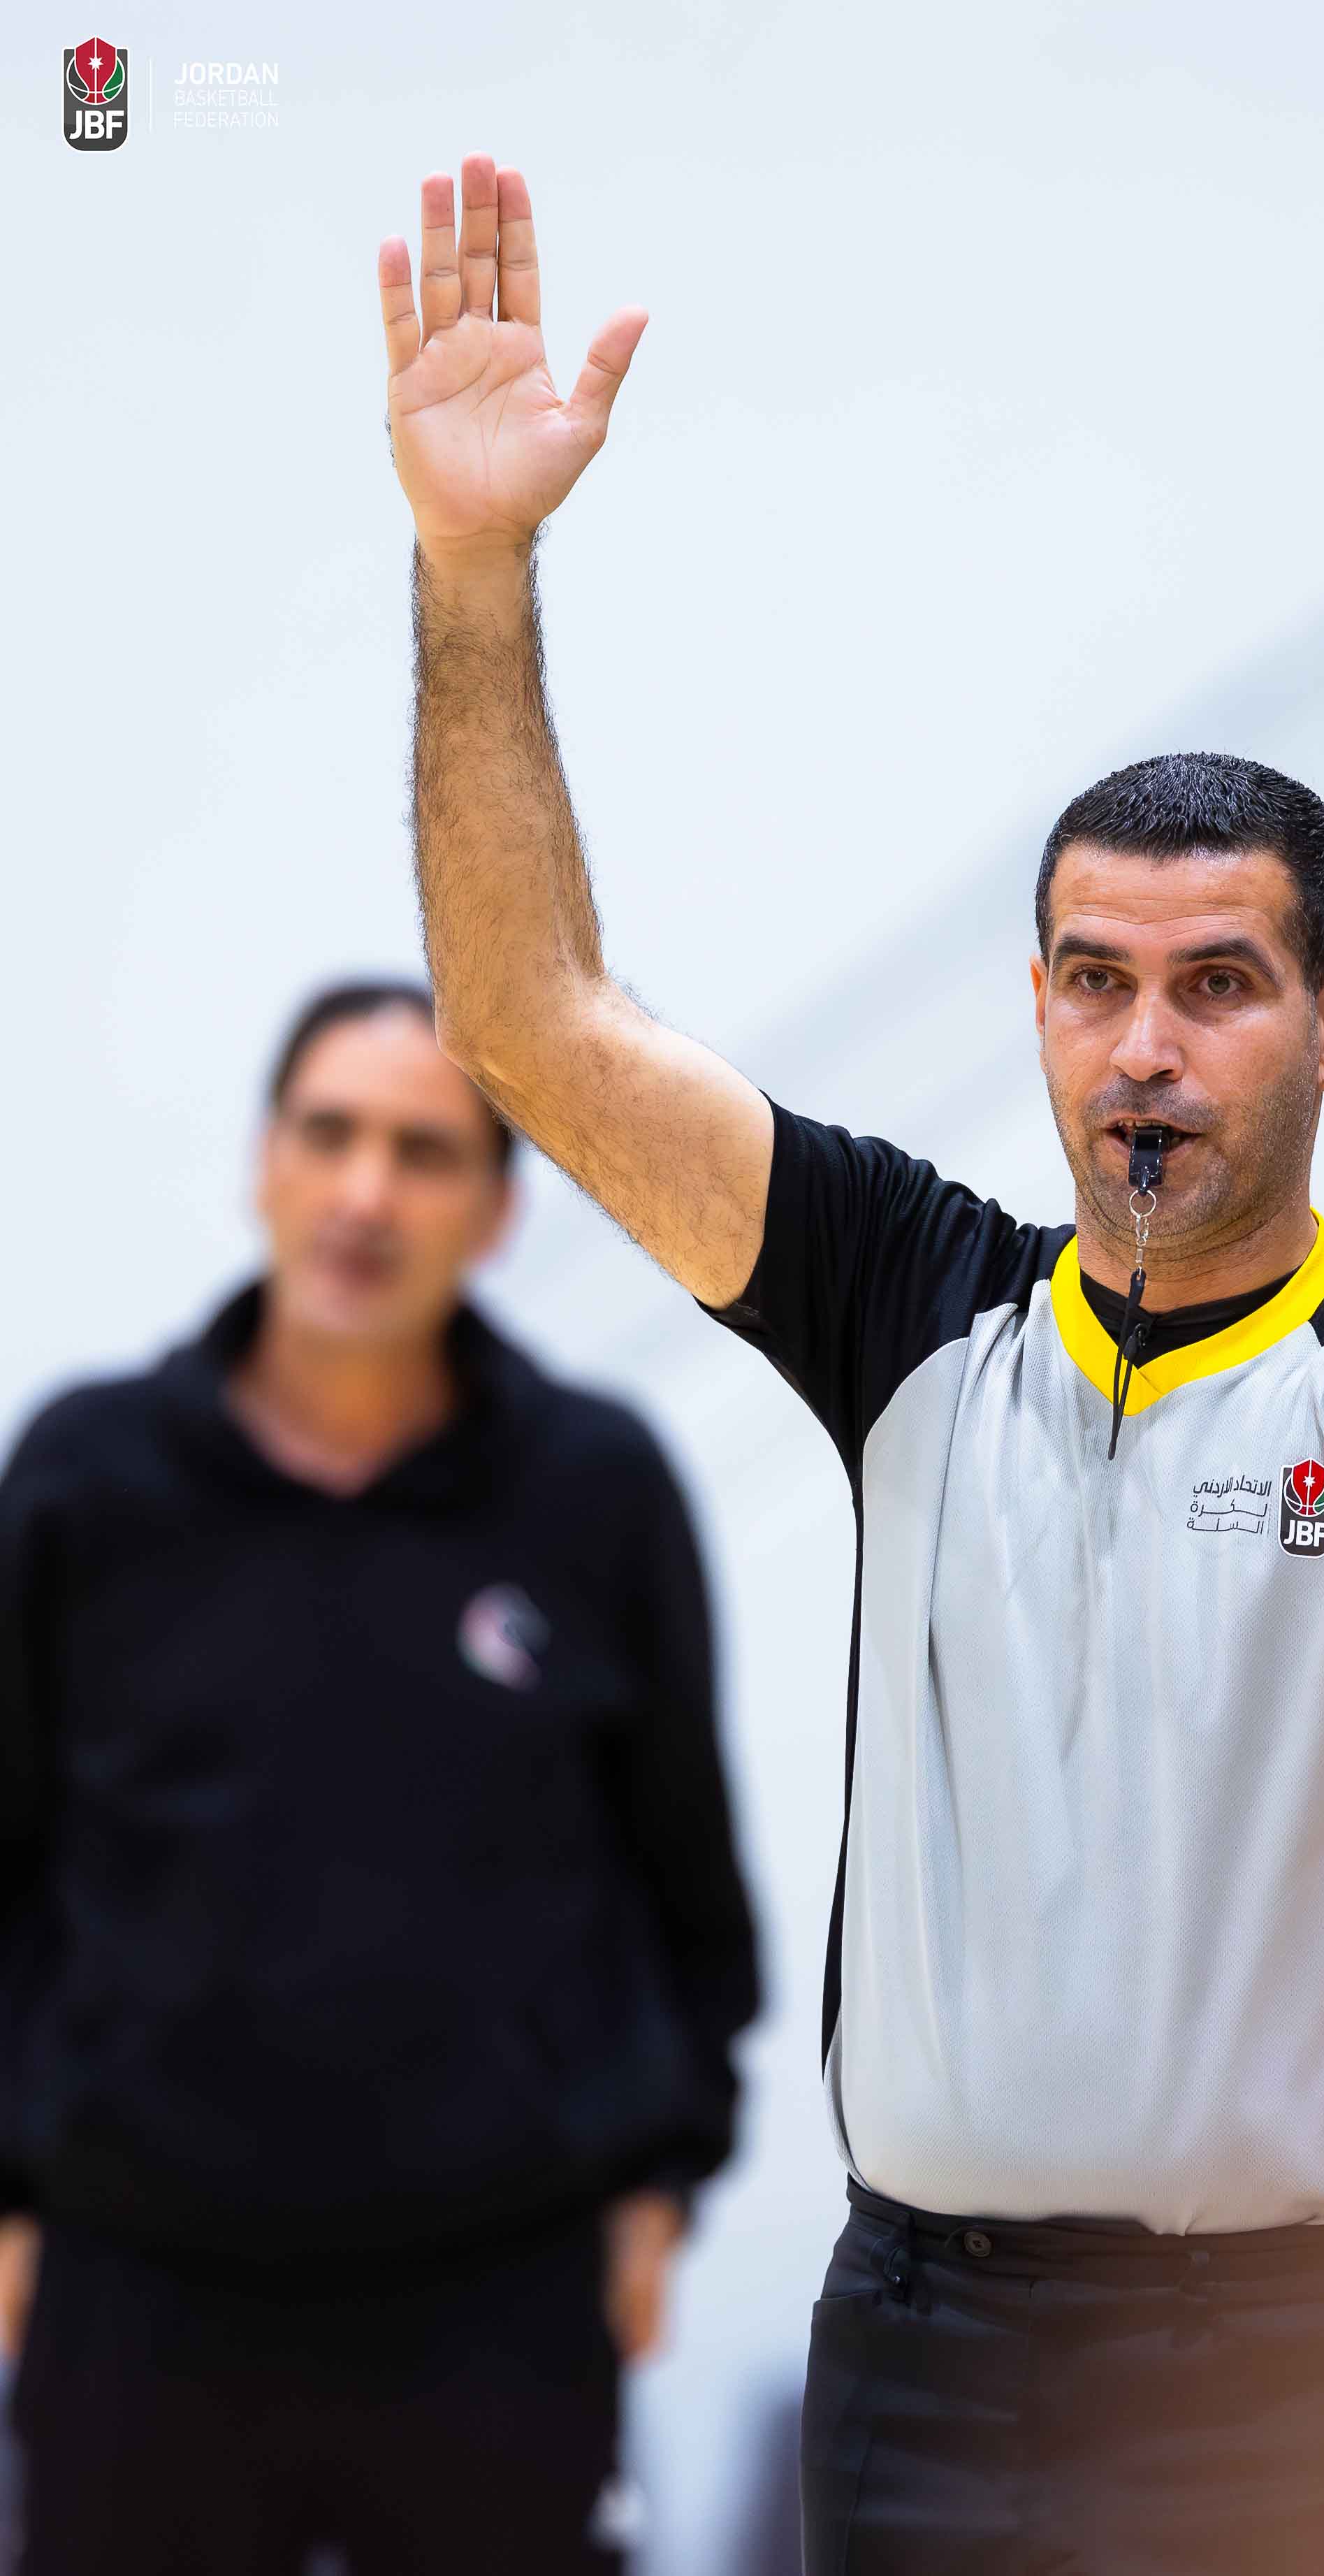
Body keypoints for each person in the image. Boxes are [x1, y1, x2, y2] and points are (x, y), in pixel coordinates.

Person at [377, 157, 1324, 2575]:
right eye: (1094, 979)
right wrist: (476, 567)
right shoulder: (911, 1299)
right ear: (1036, 1002)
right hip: (934, 2343)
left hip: (1315, 2359)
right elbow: (530, 1021)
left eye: (1216, 984)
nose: (1145, 1044)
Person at [0, 981, 759, 2575]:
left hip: (498, 2299)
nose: (364, 1192)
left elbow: (688, 1885)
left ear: (495, 1210)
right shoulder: (84, 1479)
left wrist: (661, 2184)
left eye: (422, 1153)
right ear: (263, 1163)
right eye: (328, 1134)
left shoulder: (593, 1489)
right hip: (140, 2289)